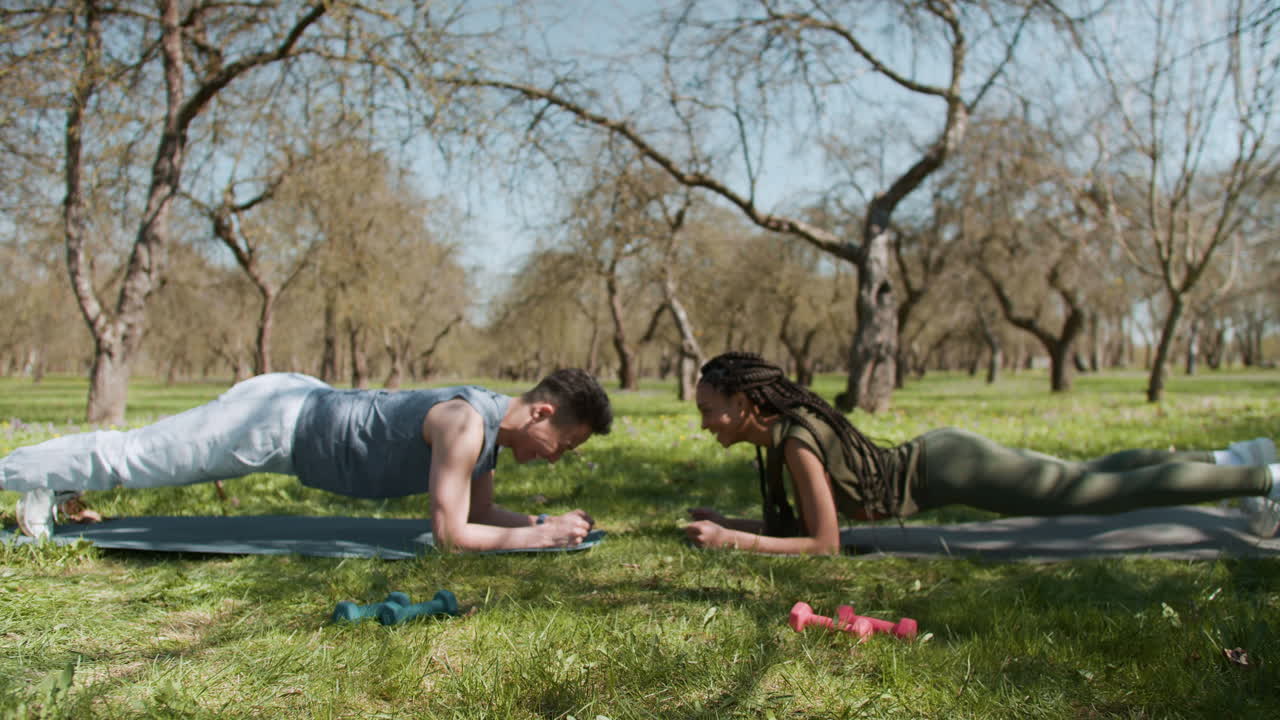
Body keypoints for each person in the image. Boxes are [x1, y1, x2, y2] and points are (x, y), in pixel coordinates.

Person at [684, 352, 1280, 556]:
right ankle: (1229, 459)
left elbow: (824, 544)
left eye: (710, 410)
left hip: (954, 468)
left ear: (743, 402)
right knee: (1087, 475)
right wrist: (728, 522)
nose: (706, 423)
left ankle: (1263, 479)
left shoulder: (795, 441)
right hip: (948, 458)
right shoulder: (783, 437)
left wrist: (733, 540)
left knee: (1094, 494)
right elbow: (805, 527)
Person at [2, 369, 612, 552]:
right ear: (541, 414)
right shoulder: (465, 424)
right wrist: (539, 539)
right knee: (133, 458)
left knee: (135, 457)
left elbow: (479, 515)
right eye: (565, 445)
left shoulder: (487, 436)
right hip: (272, 423)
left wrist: (541, 524)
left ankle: (52, 488)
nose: (556, 460)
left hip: (296, 408)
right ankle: (19, 473)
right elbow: (451, 535)